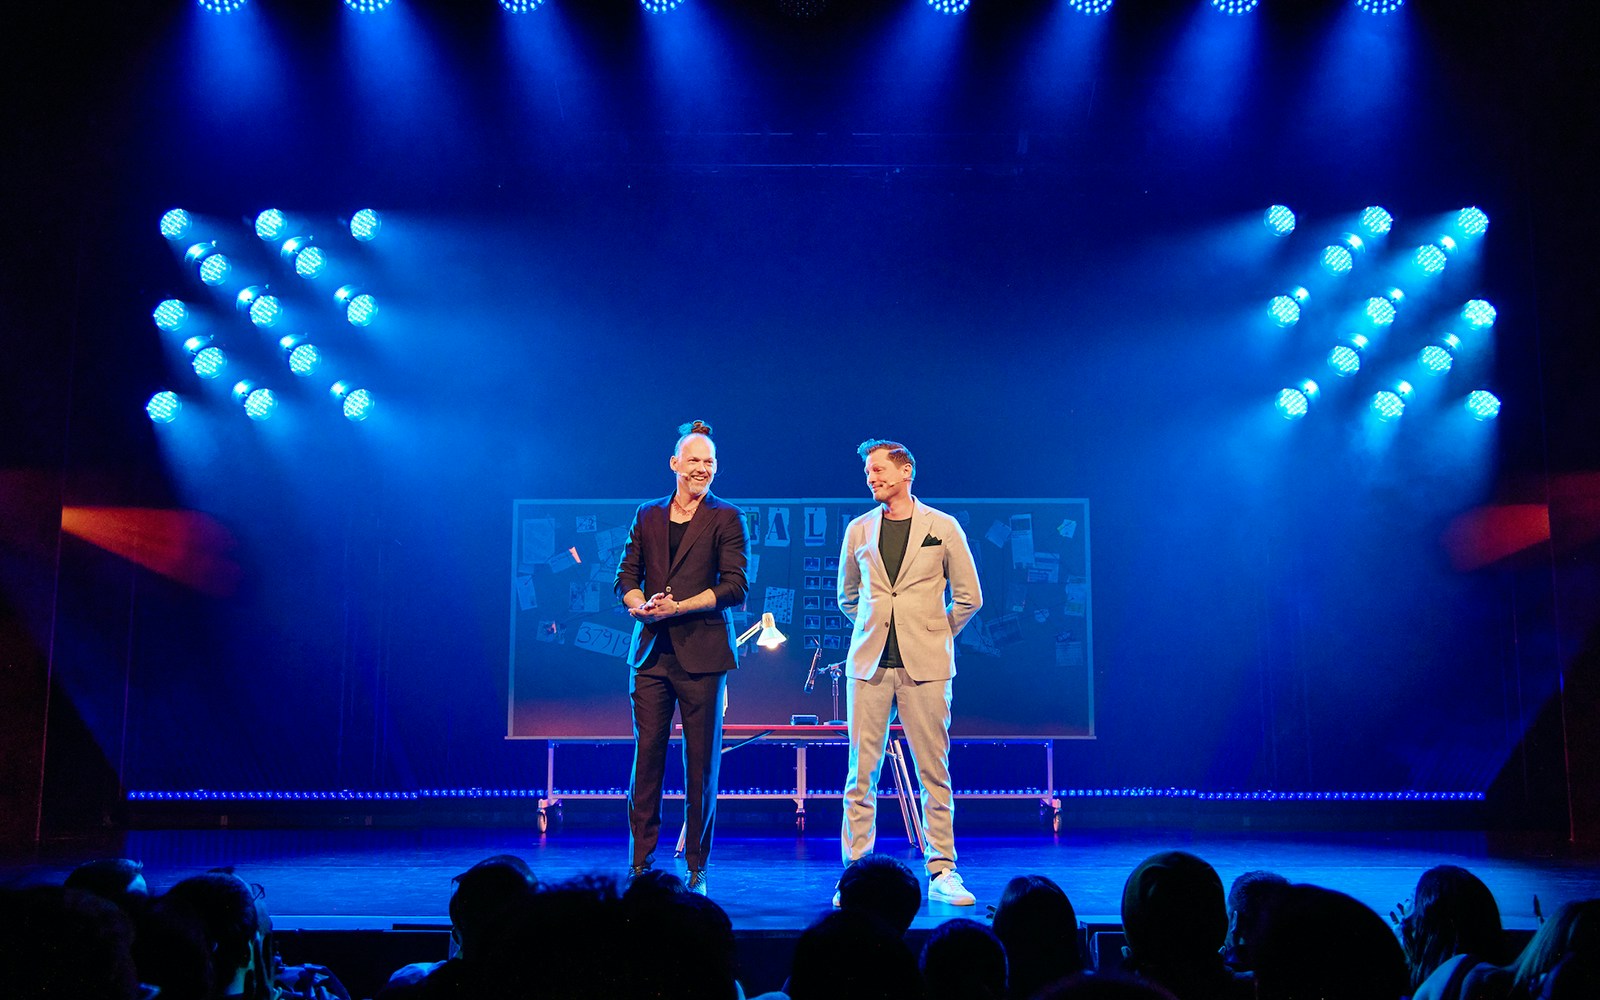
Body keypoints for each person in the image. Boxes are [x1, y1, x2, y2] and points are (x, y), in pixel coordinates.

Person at [838, 439, 982, 907]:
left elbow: (969, 597)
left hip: (927, 666)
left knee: (933, 772)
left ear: (906, 472)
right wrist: (872, 629)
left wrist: (933, 632)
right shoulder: (859, 529)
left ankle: (943, 869)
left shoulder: (943, 526)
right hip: (869, 665)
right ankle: (856, 874)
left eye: (878, 469)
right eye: (867, 471)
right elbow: (848, 597)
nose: (871, 477)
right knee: (861, 773)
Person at [614, 419, 751, 895]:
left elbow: (736, 586)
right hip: (651, 654)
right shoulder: (647, 515)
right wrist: (640, 606)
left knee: (701, 763)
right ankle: (640, 862)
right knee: (646, 757)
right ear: (674, 464)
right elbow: (625, 576)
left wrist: (680, 607)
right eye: (693, 460)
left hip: (704, 654)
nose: (702, 468)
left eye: (709, 461)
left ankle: (696, 865)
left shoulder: (727, 517)